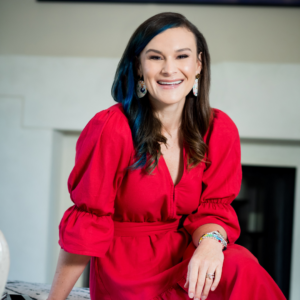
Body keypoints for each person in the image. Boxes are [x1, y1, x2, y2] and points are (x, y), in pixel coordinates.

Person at [47, 12, 287, 300]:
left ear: (198, 64)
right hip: (128, 274)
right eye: (156, 57)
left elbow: (213, 211)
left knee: (239, 263)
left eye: (182, 56)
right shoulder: (110, 128)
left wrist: (211, 244)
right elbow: (87, 224)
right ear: (138, 67)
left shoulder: (218, 129)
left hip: (187, 262)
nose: (169, 69)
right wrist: (55, 299)